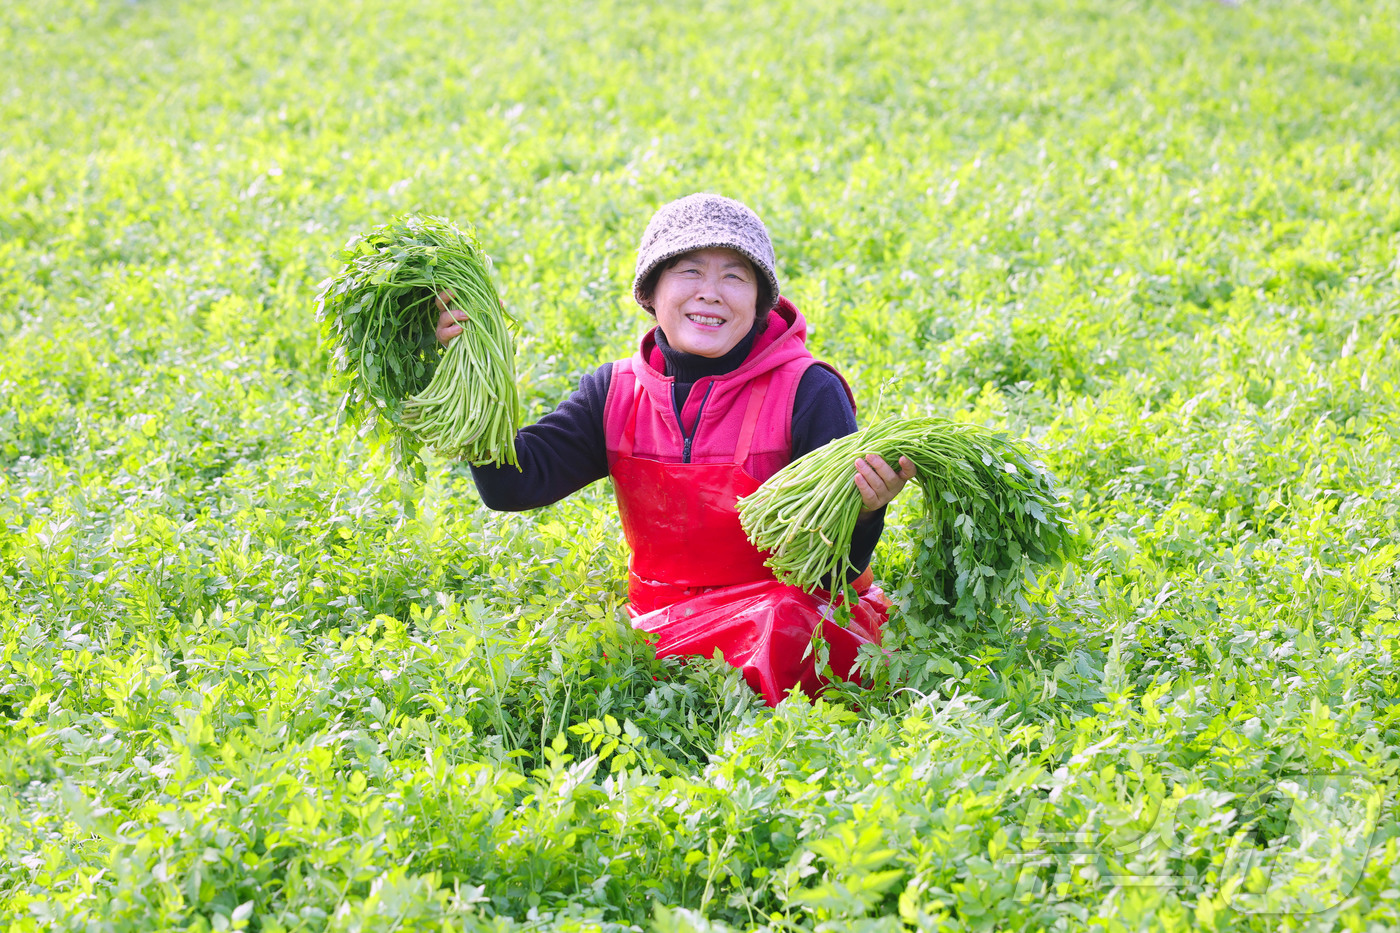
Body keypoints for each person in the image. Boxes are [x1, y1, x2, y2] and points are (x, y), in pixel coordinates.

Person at [437, 193, 915, 705]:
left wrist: (865, 512)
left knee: (778, 624)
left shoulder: (808, 391)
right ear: (651, 290)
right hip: (660, 619)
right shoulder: (615, 391)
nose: (710, 293)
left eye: (735, 276)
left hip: (787, 614)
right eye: (690, 271)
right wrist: (467, 366)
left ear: (760, 303)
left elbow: (829, 572)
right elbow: (513, 484)